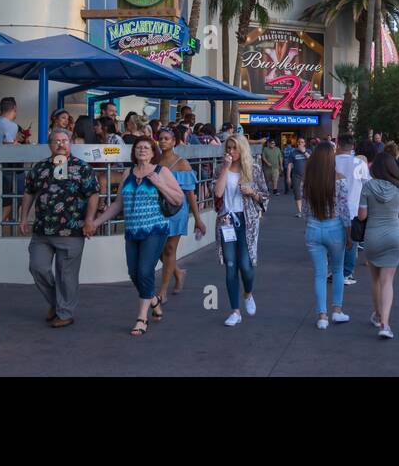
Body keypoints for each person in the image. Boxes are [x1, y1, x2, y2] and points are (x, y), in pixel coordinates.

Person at [90, 136, 183, 335]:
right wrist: (95, 223)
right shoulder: (127, 173)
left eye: (146, 148)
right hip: (132, 230)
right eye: (139, 147)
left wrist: (159, 184)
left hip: (155, 229)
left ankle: (142, 318)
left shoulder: (161, 171)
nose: (142, 150)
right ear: (134, 151)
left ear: (153, 152)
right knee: (133, 273)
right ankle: (154, 300)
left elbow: (178, 199)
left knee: (144, 271)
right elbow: (117, 204)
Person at [19, 126, 101, 327]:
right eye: (56, 141)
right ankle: (57, 303)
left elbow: (93, 195)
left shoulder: (82, 168)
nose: (61, 144)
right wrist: (23, 218)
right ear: (50, 145)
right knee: (37, 267)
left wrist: (89, 220)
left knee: (67, 275)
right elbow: (29, 192)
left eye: (64, 141)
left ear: (70, 143)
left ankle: (64, 313)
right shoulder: (39, 168)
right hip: (42, 230)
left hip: (72, 230)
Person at [214, 133, 269, 326]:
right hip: (226, 221)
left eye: (234, 148)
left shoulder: (253, 169)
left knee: (245, 265)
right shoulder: (222, 169)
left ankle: (248, 293)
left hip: (247, 221)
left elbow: (265, 197)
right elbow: (218, 193)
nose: (231, 151)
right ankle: (235, 311)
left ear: (242, 149)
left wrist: (252, 192)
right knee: (230, 265)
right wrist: (225, 168)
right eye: (228, 148)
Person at [358, 150, 399, 339]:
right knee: (388, 281)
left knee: (375, 280)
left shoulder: (368, 187)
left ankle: (377, 313)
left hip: (373, 236)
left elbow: (362, 215)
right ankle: (385, 324)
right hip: (394, 237)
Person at [303, 142, 351, 330]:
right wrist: (348, 234)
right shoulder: (339, 180)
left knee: (319, 274)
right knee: (338, 269)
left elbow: (305, 210)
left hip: (313, 226)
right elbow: (345, 210)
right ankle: (337, 311)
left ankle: (322, 315)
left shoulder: (307, 182)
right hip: (335, 227)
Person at [157, 125, 206, 302]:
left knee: (170, 249)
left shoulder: (182, 163)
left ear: (174, 142)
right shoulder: (154, 161)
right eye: (161, 138)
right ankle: (178, 272)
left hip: (177, 211)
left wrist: (198, 219)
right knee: (157, 250)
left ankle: (162, 290)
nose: (163, 141)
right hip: (157, 210)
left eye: (167, 139)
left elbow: (190, 194)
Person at [335, 133, 371, 285]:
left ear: (338, 144)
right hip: (353, 208)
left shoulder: (330, 161)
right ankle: (347, 273)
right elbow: (367, 184)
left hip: (333, 208)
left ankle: (335, 271)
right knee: (351, 242)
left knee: (335, 242)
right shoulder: (359, 163)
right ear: (353, 147)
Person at [286, 137, 309, 217]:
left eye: (302, 142)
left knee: (307, 193)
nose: (300, 143)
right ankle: (300, 211)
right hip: (296, 176)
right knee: (297, 193)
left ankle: (307, 209)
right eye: (299, 142)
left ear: (304, 143)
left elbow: (312, 160)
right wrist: (288, 177)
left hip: (307, 176)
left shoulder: (308, 151)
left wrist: (304, 152)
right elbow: (289, 165)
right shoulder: (293, 152)